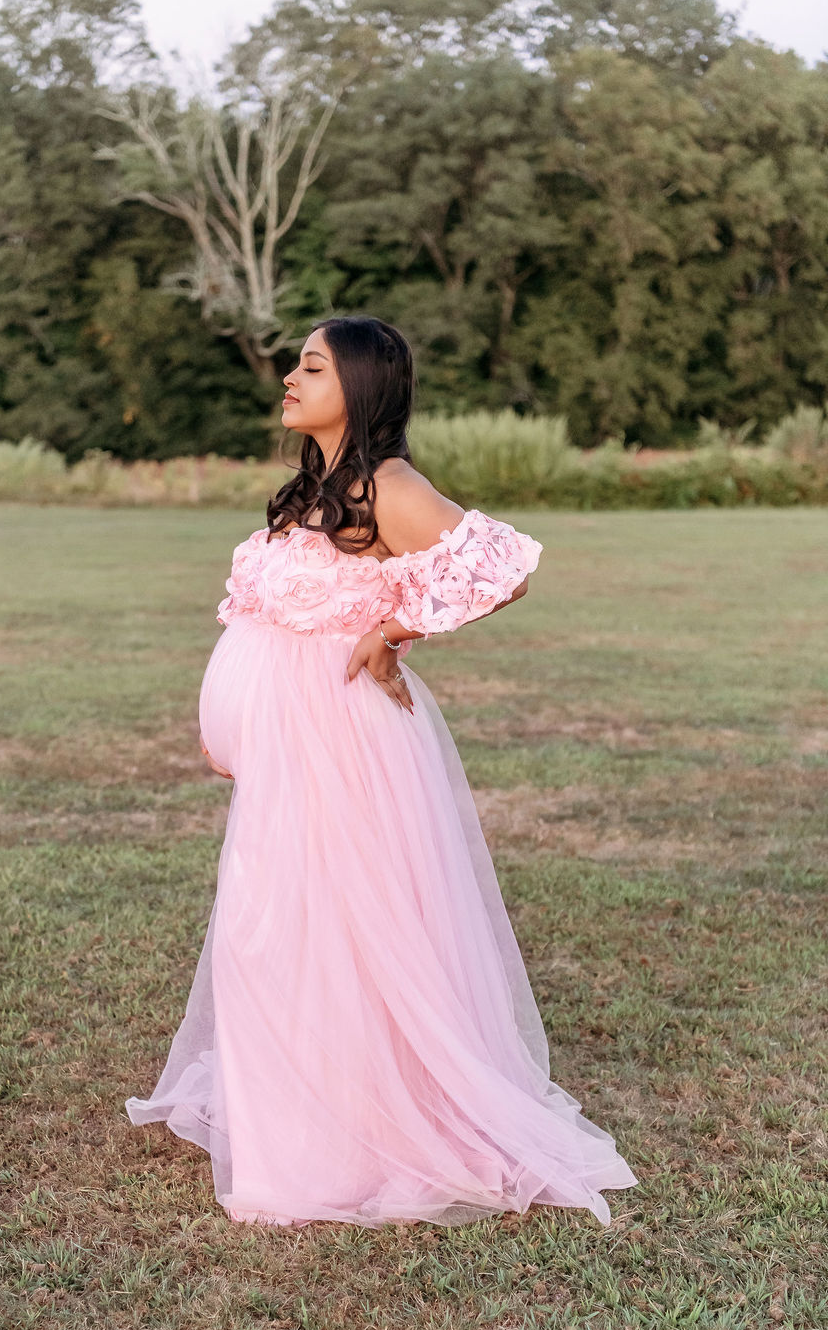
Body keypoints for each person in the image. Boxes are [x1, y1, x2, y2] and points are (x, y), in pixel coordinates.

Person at [126, 315, 638, 1229]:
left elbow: (502, 565)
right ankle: (294, 1108)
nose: (290, 377)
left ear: (358, 385)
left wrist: (394, 629)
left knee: (328, 929)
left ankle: (344, 1136)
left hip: (341, 744)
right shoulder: (312, 488)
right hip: (288, 748)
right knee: (268, 925)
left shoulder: (385, 486)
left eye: (311, 366)